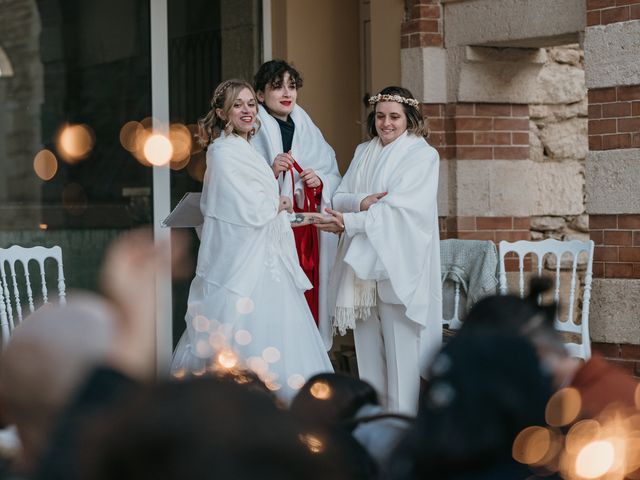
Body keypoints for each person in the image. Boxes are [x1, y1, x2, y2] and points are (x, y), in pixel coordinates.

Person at [171, 79, 334, 402]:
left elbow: (252, 195)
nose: (247, 110)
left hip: (268, 257)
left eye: (250, 104)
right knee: (242, 336)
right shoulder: (221, 151)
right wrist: (279, 202)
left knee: (280, 335)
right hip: (245, 263)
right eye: (237, 105)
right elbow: (238, 207)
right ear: (221, 113)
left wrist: (308, 215)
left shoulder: (246, 149)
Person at [317, 86, 442, 415]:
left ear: (410, 119)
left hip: (397, 267)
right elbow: (340, 196)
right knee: (368, 357)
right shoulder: (363, 151)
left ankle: (403, 429)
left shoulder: (422, 155)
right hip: (359, 271)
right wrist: (362, 202)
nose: (386, 124)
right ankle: (376, 425)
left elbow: (401, 210)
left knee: (403, 358)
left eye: (395, 117)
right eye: (381, 117)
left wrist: (351, 222)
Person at [252, 60, 342, 349]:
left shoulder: (306, 126)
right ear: (260, 95)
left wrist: (320, 181)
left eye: (292, 86)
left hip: (307, 233)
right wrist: (271, 170)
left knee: (309, 291)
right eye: (277, 86)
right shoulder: (253, 130)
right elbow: (242, 183)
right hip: (272, 230)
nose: (286, 93)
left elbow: (331, 170)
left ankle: (308, 353)